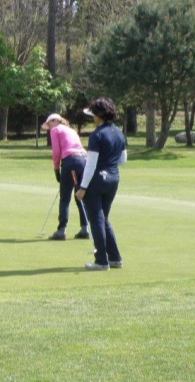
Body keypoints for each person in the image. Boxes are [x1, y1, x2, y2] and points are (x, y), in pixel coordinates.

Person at [75, 97, 127, 271]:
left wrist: (82, 187)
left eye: (93, 115)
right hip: (113, 179)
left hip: (96, 180)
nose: (92, 118)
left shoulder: (97, 135)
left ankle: (101, 261)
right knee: (104, 219)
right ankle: (115, 258)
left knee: (96, 220)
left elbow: (90, 164)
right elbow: (123, 160)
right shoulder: (119, 133)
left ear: (99, 115)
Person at [41, 113, 90, 240]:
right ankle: (85, 228)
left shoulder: (56, 130)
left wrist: (56, 169)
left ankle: (61, 230)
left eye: (50, 123)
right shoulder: (71, 130)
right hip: (83, 160)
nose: (49, 127)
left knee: (65, 198)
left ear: (55, 120)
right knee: (80, 194)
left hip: (71, 161)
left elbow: (56, 152)